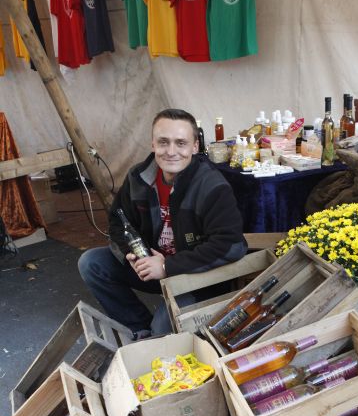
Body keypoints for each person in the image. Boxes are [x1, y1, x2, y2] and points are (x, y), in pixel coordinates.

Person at [79, 108, 247, 337]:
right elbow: (118, 222)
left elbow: (230, 245)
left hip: (195, 276)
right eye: (163, 142)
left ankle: (156, 334)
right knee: (92, 263)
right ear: (153, 144)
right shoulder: (138, 177)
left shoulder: (212, 186)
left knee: (163, 330)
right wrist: (133, 254)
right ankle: (140, 329)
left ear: (195, 146)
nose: (171, 151)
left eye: (181, 143)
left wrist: (168, 266)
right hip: (153, 267)